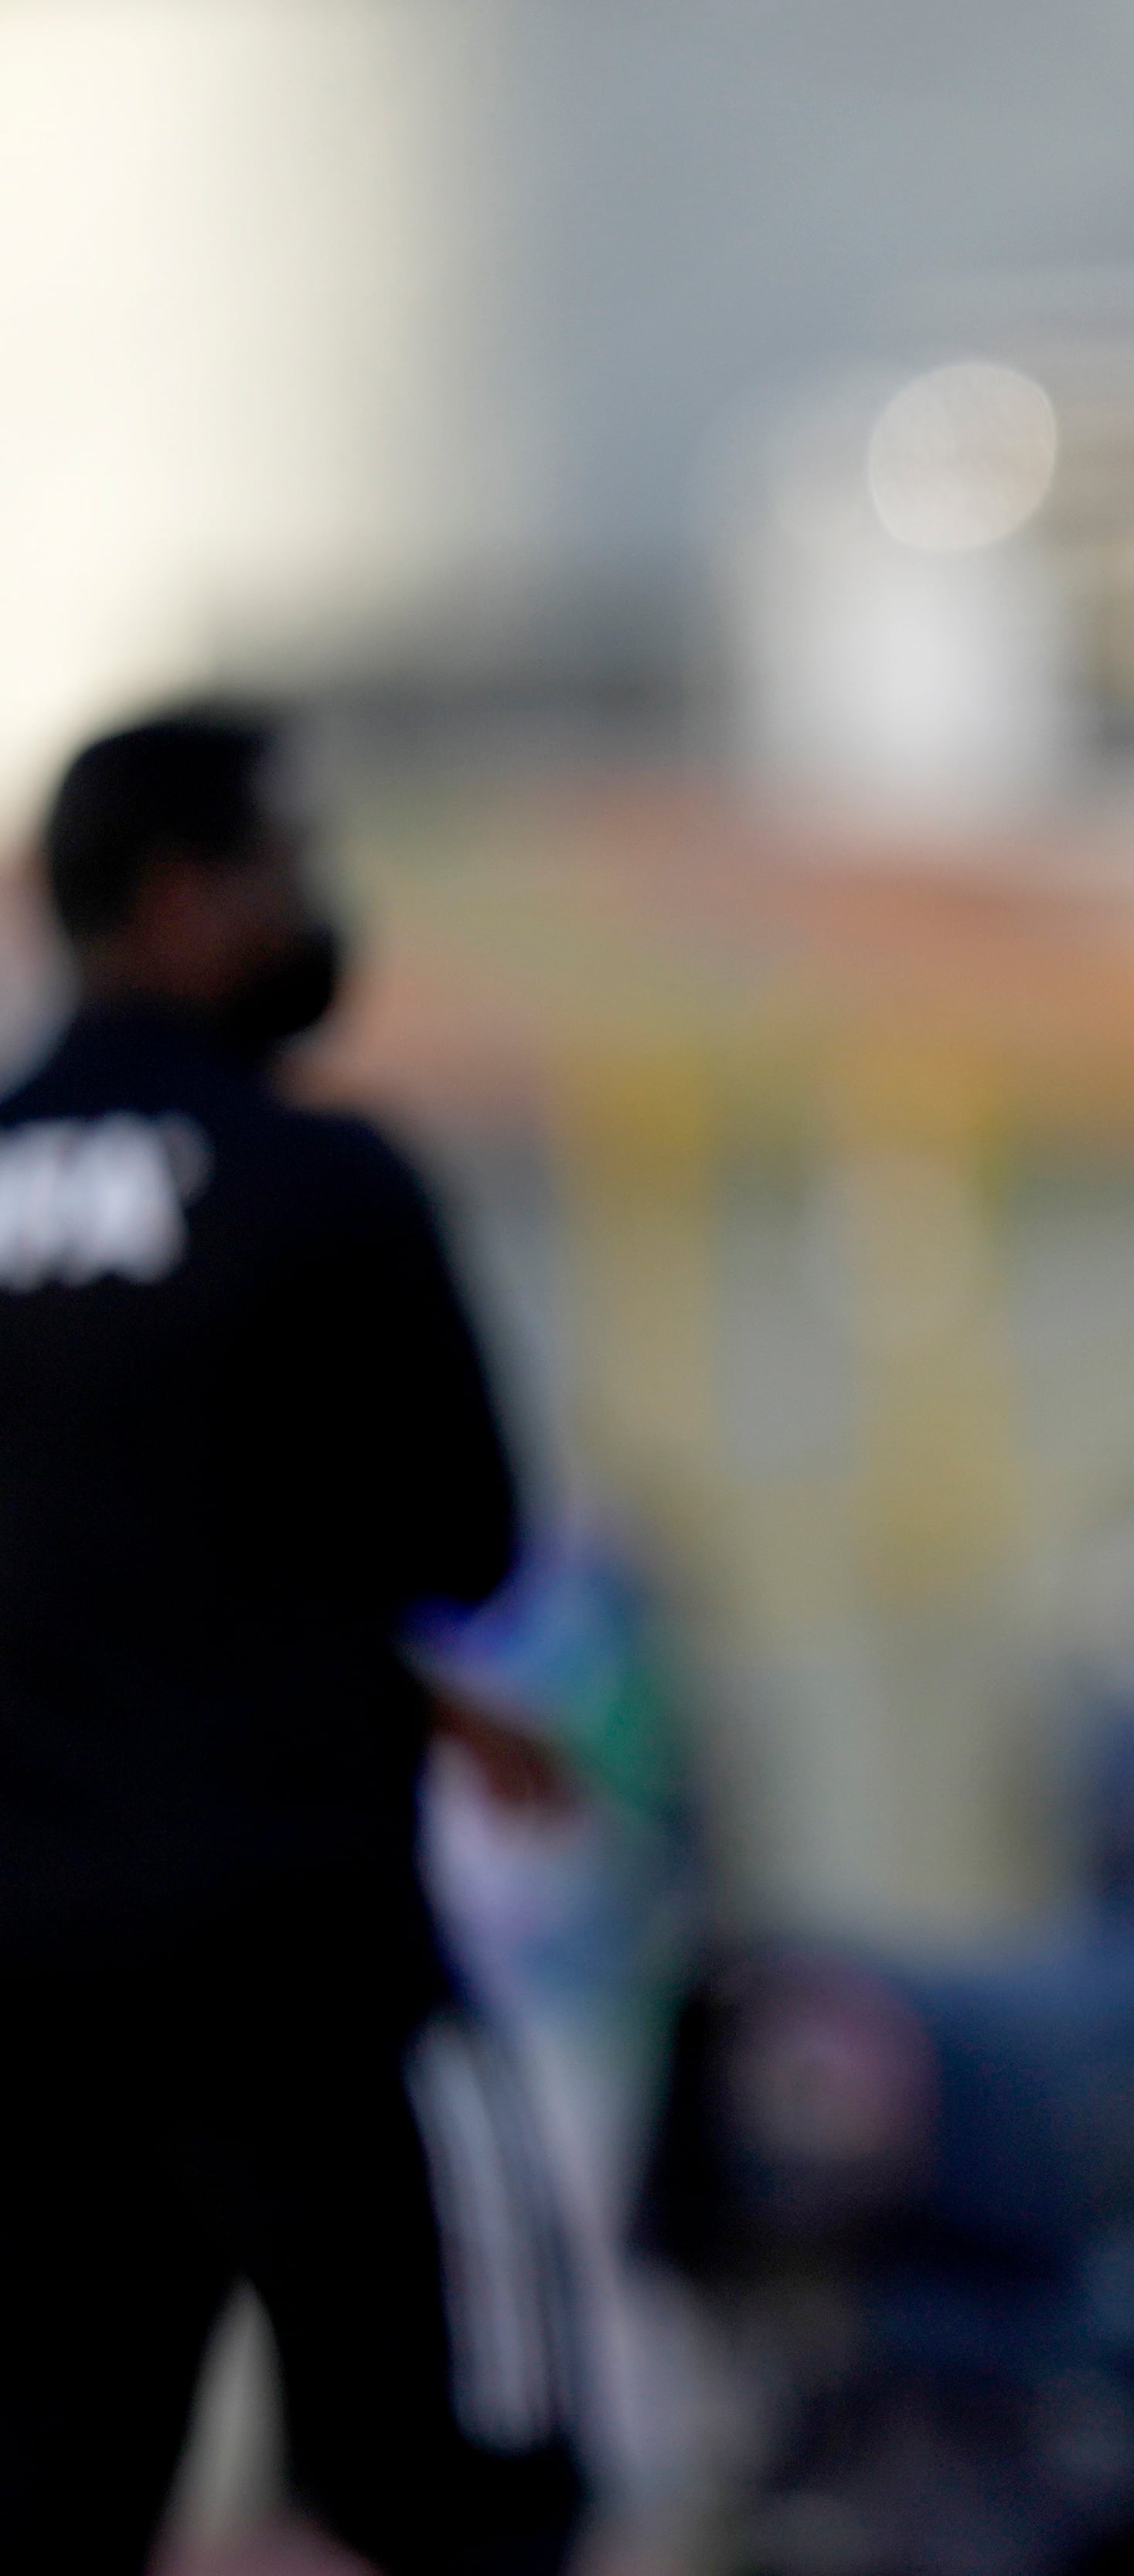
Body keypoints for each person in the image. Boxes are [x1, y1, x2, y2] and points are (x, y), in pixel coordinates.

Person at [0, 708, 584, 2574]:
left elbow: (86, 1551)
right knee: (441, 2483)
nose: (308, 913)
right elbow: (467, 1541)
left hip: (27, 1990)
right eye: (278, 870)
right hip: (294, 1974)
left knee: (58, 2483)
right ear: (182, 897)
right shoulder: (317, 1180)